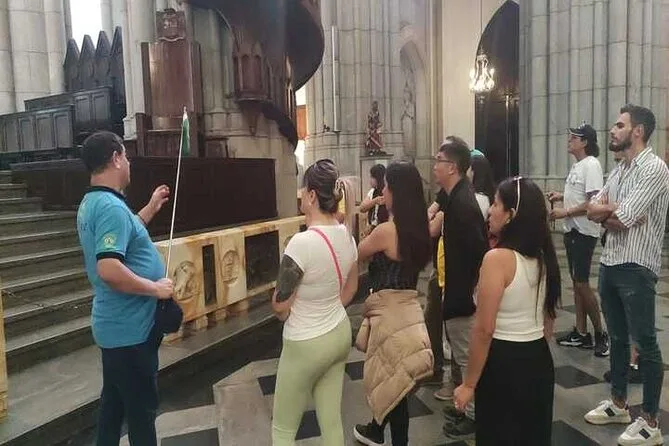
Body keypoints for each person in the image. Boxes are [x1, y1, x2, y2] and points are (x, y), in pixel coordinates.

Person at [76, 131, 174, 446]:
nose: (129, 163)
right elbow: (109, 268)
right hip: (130, 331)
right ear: (116, 158)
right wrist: (155, 289)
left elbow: (126, 235)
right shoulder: (110, 207)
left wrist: (151, 207)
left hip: (115, 328)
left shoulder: (95, 202)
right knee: (141, 415)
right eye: (126, 156)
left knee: (113, 408)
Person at [453, 176, 561, 445]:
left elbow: (484, 329)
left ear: (511, 215)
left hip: (503, 362)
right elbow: (549, 318)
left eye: (496, 204)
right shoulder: (544, 255)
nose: (490, 210)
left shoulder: (497, 259)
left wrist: (469, 384)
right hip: (538, 358)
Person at [585, 104, 669, 445]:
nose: (612, 130)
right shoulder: (620, 170)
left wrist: (610, 213)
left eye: (620, 125)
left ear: (638, 131)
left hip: (637, 266)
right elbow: (593, 208)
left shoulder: (655, 168)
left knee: (645, 342)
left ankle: (650, 421)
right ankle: (619, 403)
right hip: (611, 261)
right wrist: (611, 211)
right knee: (618, 338)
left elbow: (625, 217)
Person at [271, 159, 359, 446]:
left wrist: (297, 309)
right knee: (331, 421)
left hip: (305, 343)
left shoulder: (301, 243)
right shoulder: (347, 236)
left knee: (283, 429)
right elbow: (352, 287)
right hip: (338, 333)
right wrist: (327, 305)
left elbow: (279, 305)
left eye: (303, 189)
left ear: (311, 195)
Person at [352, 162, 433, 446]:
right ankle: (376, 429)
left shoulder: (387, 231)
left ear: (396, 192)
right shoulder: (421, 228)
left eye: (386, 187)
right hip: (409, 310)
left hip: (389, 315)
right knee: (396, 381)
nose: (382, 192)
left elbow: (355, 253)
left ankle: (392, 438)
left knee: (393, 383)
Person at [431, 137, 488, 438]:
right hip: (457, 288)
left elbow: (478, 253)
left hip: (464, 295)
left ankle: (476, 415)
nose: (434, 166)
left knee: (467, 356)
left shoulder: (464, 205)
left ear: (452, 167)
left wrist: (468, 295)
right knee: (461, 352)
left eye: (439, 161)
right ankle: (467, 407)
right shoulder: (456, 194)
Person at [547, 123, 609, 357]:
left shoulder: (591, 164)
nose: (569, 140)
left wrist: (565, 211)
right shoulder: (578, 165)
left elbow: (593, 202)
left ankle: (601, 334)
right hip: (573, 230)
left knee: (582, 284)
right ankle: (581, 333)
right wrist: (561, 196)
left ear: (585, 142)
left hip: (584, 231)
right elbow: (580, 194)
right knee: (576, 283)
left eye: (574, 137)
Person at [359, 164, 389, 231]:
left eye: (372, 177)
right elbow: (362, 208)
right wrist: (375, 201)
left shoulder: (387, 192)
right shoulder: (372, 192)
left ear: (378, 178)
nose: (370, 180)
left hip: (382, 228)